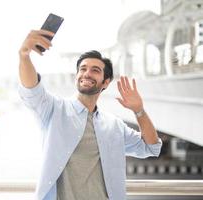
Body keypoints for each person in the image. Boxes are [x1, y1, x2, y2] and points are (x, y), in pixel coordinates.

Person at [18, 29, 162, 200]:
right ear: (77, 75)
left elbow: (151, 147)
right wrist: (24, 56)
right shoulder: (54, 109)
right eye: (83, 69)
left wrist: (139, 111)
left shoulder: (114, 125)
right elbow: (32, 90)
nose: (87, 73)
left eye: (95, 70)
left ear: (105, 82)